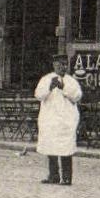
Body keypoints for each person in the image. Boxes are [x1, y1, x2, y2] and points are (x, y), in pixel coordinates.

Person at [34, 54, 82, 186]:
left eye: (65, 64)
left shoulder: (71, 81)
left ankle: (66, 177)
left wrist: (63, 88)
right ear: (54, 65)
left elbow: (77, 96)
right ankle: (53, 175)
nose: (63, 67)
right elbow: (38, 95)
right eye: (60, 64)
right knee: (51, 147)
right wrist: (49, 88)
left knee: (65, 149)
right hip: (50, 120)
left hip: (66, 121)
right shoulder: (46, 79)